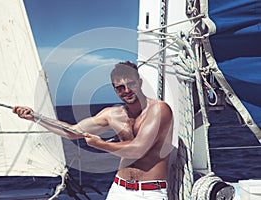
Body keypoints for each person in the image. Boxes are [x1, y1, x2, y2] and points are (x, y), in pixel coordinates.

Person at [13, 61, 173, 200]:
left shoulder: (159, 110)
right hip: (119, 189)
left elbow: (138, 149)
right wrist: (35, 117)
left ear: (139, 82)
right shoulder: (112, 114)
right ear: (115, 89)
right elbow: (72, 132)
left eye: (131, 84)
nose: (127, 90)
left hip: (150, 192)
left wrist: (101, 144)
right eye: (120, 88)